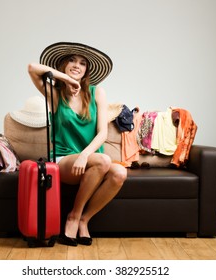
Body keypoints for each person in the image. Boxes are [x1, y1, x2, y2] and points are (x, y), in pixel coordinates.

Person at [28, 42, 127, 246]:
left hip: (91, 159)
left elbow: (102, 132)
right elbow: (32, 68)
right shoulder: (54, 94)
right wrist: (66, 79)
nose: (77, 65)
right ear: (63, 65)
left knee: (120, 174)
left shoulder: (97, 92)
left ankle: (82, 219)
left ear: (86, 71)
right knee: (102, 161)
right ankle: (72, 218)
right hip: (63, 160)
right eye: (72, 60)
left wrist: (84, 155)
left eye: (82, 63)